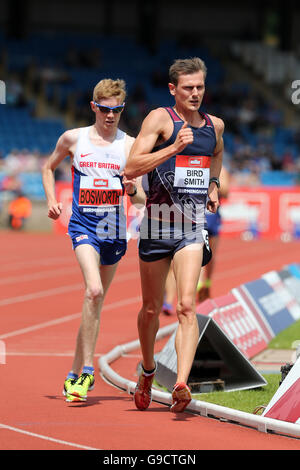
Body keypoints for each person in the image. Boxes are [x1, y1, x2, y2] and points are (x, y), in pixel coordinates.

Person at [125, 57, 224, 412]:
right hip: (156, 224)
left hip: (191, 229)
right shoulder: (160, 119)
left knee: (186, 306)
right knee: (151, 309)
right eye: (188, 88)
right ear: (173, 89)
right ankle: (149, 370)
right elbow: (132, 166)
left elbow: (216, 154)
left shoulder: (215, 126)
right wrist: (173, 148)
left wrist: (213, 184)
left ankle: (182, 382)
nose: (195, 93)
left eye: (200, 87)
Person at [42, 78, 145, 403]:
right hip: (84, 226)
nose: (110, 115)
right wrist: (50, 200)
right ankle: (88, 370)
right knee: (94, 290)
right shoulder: (74, 138)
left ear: (122, 109)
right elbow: (48, 168)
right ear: (93, 107)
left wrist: (131, 190)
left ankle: (73, 373)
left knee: (94, 304)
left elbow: (141, 199)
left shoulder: (129, 145)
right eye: (104, 109)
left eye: (116, 110)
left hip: (114, 231)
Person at [197, 165, 230, 302]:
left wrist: (212, 181)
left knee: (210, 254)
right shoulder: (196, 164)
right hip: (197, 214)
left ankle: (207, 283)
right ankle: (198, 286)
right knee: (197, 251)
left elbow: (226, 192)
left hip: (213, 215)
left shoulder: (221, 169)